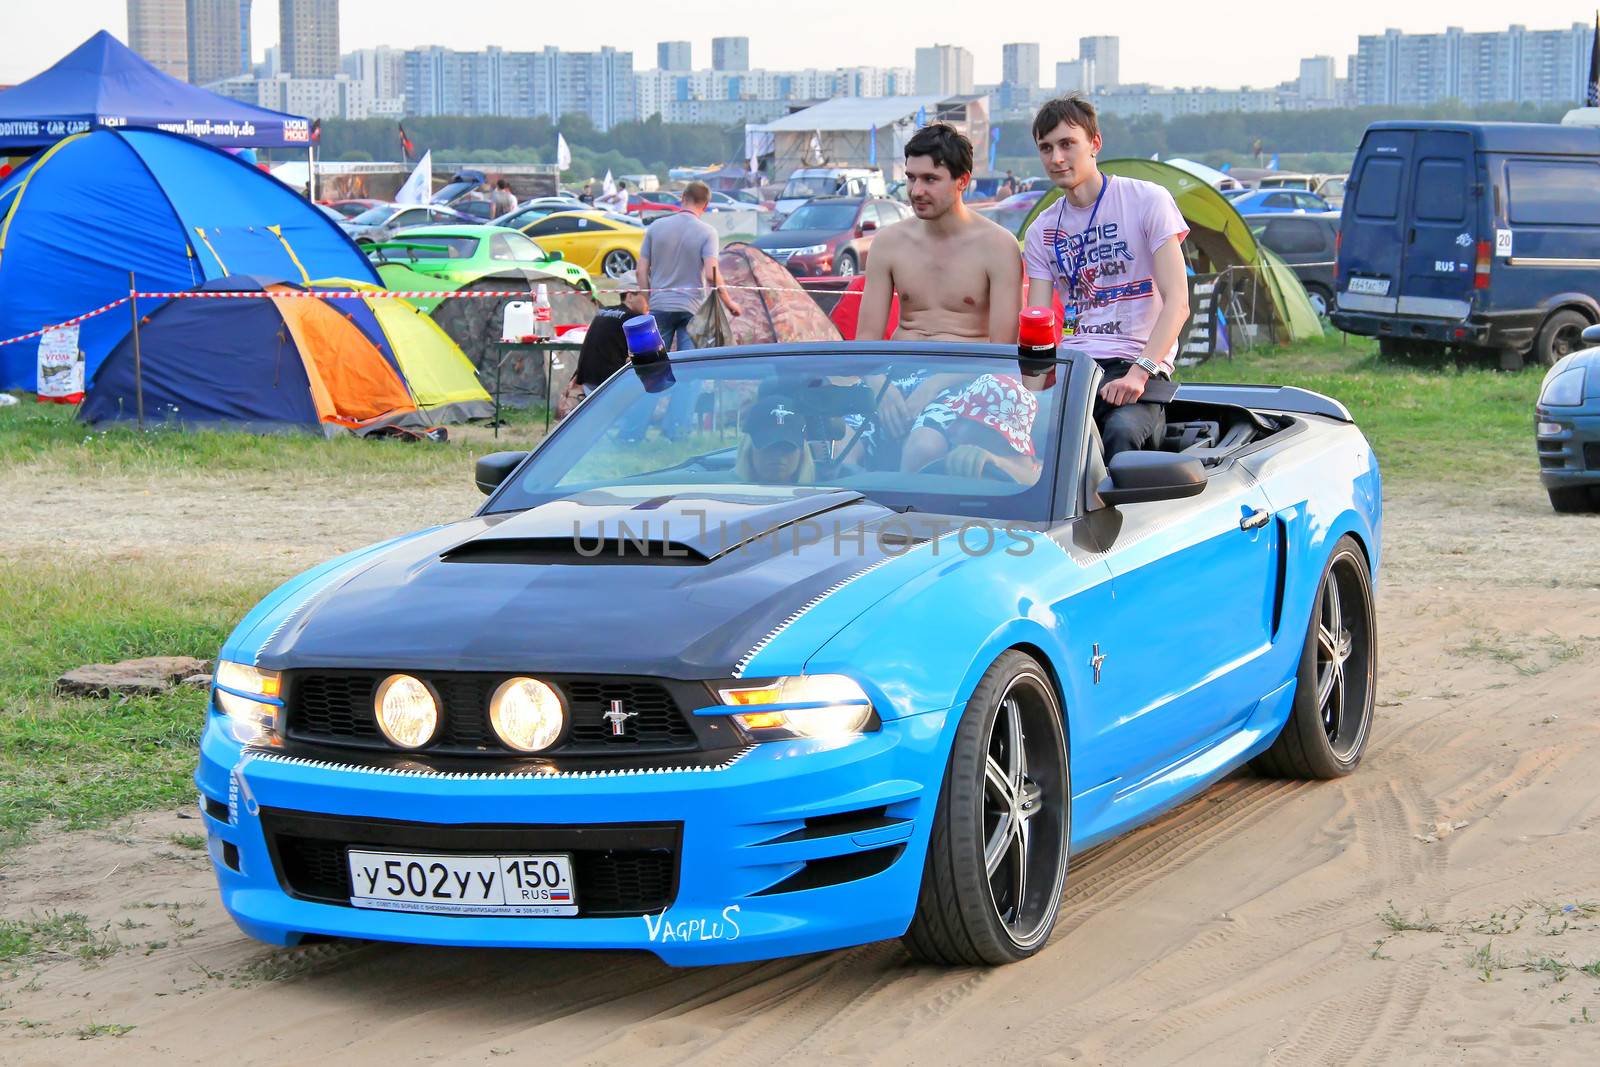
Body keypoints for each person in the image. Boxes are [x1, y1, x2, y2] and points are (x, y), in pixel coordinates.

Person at [1024, 95, 1190, 459]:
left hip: (1137, 363)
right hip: (1075, 369)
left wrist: (1140, 372)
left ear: (1095, 143)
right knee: (1031, 445)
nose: (1056, 158)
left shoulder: (1147, 200)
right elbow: (1037, 324)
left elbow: (1178, 303)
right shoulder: (1042, 230)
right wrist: (1030, 397)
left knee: (1119, 435)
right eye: (1046, 148)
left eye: (1067, 144)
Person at [634, 180, 741, 439]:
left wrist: (648, 298)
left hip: (659, 307)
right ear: (706, 205)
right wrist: (729, 303)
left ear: (682, 197)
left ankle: (632, 431)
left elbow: (640, 270)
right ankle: (675, 430)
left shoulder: (656, 228)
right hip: (692, 310)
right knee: (688, 372)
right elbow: (711, 273)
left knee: (651, 372)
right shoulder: (707, 232)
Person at [899, 373, 1042, 485]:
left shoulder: (1041, 473)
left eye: (962, 421)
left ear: (994, 432)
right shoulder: (952, 450)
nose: (950, 429)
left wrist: (996, 462)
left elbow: (1037, 481)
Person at [567, 270, 648, 414]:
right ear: (629, 296)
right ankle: (631, 434)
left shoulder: (602, 312)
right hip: (609, 386)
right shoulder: (634, 319)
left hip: (586, 384)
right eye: (646, 295)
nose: (649, 300)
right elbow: (648, 358)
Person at [735, 394, 816, 484]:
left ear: (802, 453)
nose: (778, 455)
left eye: (787, 447)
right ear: (748, 450)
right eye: (769, 447)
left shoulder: (824, 492)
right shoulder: (724, 490)